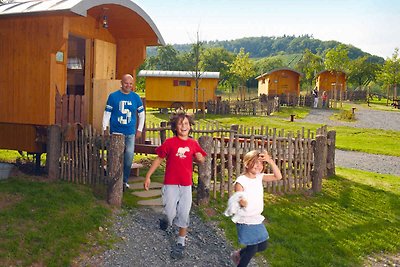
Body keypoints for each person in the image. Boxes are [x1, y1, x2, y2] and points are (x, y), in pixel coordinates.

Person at [144, 112, 207, 259]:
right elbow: (159, 159)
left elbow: (201, 159)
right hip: (171, 184)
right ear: (175, 127)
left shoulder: (193, 143)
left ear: (190, 126)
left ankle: (180, 242)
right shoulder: (170, 143)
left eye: (186, 123)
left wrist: (200, 158)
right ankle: (166, 218)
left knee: (184, 213)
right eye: (180, 123)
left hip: (186, 185)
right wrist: (148, 176)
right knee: (171, 214)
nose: (183, 126)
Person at [228, 150, 282, 267]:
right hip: (246, 220)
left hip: (256, 218)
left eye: (261, 163)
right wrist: (242, 201)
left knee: (263, 245)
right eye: (255, 163)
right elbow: (239, 196)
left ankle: (238, 254)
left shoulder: (259, 177)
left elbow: (278, 176)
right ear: (247, 164)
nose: (258, 166)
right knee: (252, 249)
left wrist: (270, 161)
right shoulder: (241, 181)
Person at [102, 74, 145, 190]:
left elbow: (142, 114)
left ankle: (124, 180)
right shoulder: (113, 96)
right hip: (116, 133)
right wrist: (105, 127)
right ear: (121, 83)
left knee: (129, 156)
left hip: (130, 132)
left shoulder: (136, 98)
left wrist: (139, 129)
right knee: (114, 156)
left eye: (131, 83)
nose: (128, 85)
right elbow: (107, 113)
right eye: (126, 83)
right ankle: (112, 180)